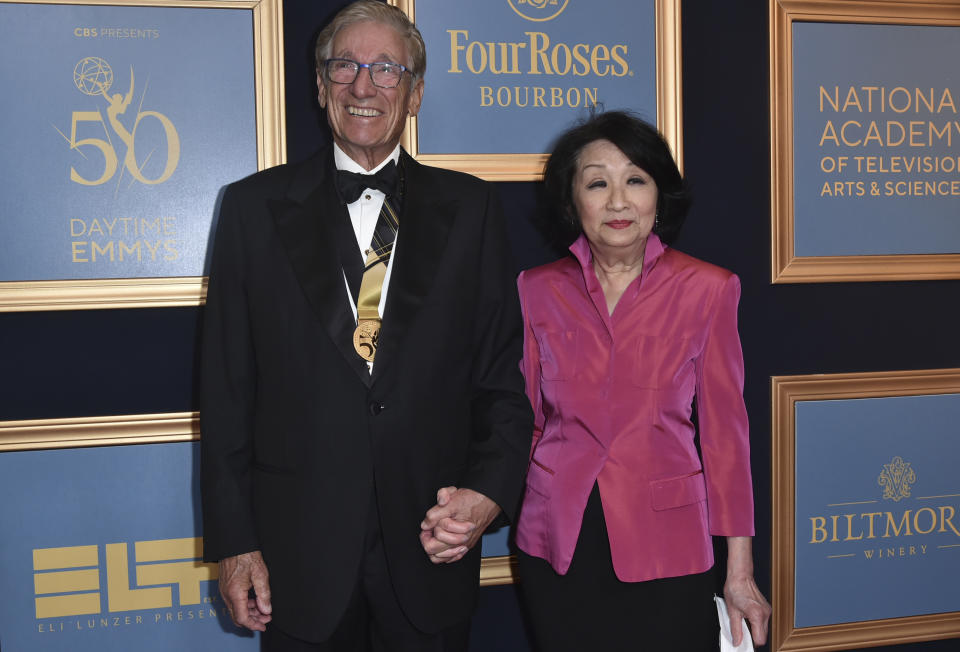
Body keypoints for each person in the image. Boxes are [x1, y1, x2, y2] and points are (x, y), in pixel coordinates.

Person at [199, 2, 533, 650]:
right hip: (300, 565)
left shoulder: (473, 209)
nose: (363, 85)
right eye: (345, 65)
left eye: (386, 68)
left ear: (415, 91)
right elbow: (226, 395)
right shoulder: (251, 210)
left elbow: (503, 383)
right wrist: (235, 543)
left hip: (431, 551)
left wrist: (491, 491)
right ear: (320, 85)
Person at [514, 111, 771, 651]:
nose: (617, 201)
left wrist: (740, 570)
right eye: (596, 182)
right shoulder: (535, 290)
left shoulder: (709, 289)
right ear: (571, 201)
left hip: (668, 546)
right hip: (557, 543)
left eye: (635, 179)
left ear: (659, 197)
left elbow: (725, 437)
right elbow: (526, 422)